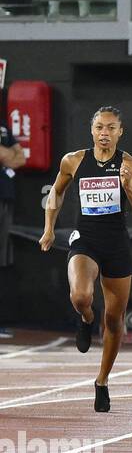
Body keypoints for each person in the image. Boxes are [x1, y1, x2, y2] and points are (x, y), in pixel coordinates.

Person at [39, 106, 132, 413]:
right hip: (85, 239)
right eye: (100, 127)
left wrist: (129, 188)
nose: (105, 133)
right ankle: (86, 318)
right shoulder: (74, 160)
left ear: (120, 132)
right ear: (92, 131)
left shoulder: (130, 165)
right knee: (81, 295)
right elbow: (56, 193)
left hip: (116, 243)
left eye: (111, 128)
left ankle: (101, 381)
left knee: (115, 320)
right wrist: (49, 228)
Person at [0, 111, 27, 335]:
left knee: (1, 260)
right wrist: (7, 154)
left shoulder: (3, 127)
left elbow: (20, 158)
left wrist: (6, 153)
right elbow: (10, 156)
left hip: (5, 199)